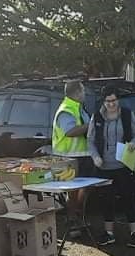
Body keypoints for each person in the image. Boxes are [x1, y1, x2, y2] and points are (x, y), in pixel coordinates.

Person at [88, 86, 135, 248]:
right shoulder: (96, 117)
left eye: (114, 100)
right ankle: (109, 233)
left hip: (123, 164)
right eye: (108, 101)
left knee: (128, 198)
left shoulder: (127, 114)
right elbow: (90, 140)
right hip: (104, 166)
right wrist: (95, 156)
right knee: (106, 200)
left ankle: (134, 234)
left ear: (118, 100)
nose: (111, 104)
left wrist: (133, 143)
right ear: (103, 102)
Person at [52, 81, 93, 236]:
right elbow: (70, 131)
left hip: (84, 155)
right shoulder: (66, 109)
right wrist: (91, 125)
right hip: (69, 157)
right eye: (83, 91)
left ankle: (78, 216)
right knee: (73, 192)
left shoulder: (79, 108)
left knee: (86, 189)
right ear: (76, 93)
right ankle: (72, 221)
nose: (85, 94)